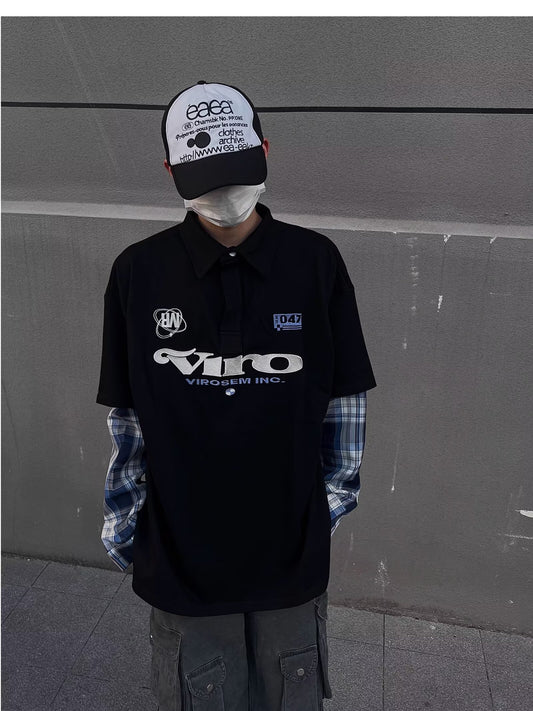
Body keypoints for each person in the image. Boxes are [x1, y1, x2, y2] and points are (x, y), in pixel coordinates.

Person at [96, 81, 377, 711]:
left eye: (236, 169)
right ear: (171, 171)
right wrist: (128, 530)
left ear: (265, 151)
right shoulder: (138, 272)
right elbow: (128, 421)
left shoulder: (316, 262)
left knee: (290, 689)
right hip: (180, 557)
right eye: (207, 176)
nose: (225, 191)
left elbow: (345, 406)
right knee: (201, 692)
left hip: (291, 555)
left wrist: (319, 512)